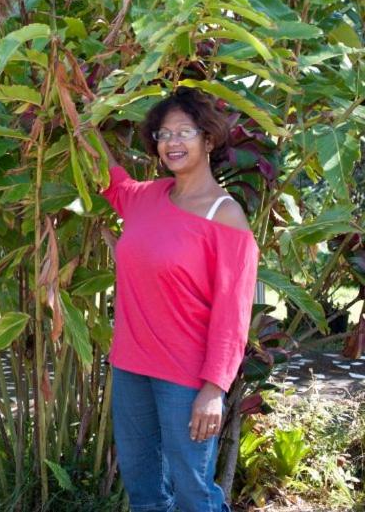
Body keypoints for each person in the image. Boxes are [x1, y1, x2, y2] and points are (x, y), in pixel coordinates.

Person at [97, 87, 258, 512]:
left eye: (184, 132)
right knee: (144, 490)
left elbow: (234, 313)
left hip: (186, 378)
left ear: (208, 139)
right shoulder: (145, 196)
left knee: (193, 493)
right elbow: (107, 177)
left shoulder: (224, 214)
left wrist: (213, 388)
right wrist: (77, 115)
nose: (172, 142)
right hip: (131, 367)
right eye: (163, 134)